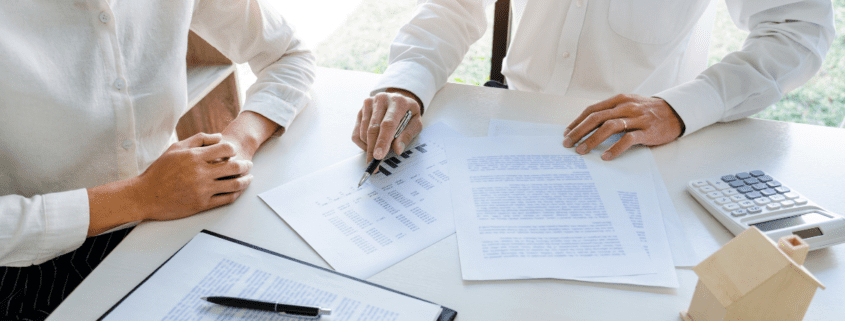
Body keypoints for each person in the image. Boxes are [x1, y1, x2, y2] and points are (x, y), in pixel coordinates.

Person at [0, 0, 315, 318]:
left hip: (174, 214)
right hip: (31, 263)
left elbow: (287, 54)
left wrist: (236, 145)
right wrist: (139, 197)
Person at [351, 0, 834, 163]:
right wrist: (408, 82)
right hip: (510, 128)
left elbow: (799, 31)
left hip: (640, 147)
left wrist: (688, 105)